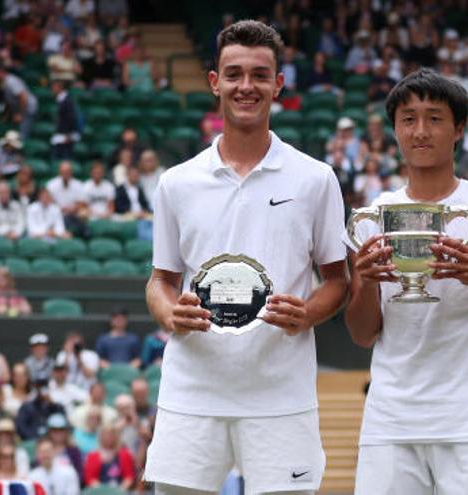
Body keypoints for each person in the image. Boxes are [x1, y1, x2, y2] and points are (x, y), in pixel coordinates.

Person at [143, 20, 348, 494]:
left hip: (281, 393)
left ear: (278, 84)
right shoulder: (177, 182)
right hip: (192, 391)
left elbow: (338, 279)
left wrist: (307, 313)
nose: (246, 86)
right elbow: (160, 279)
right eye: (234, 74)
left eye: (260, 75)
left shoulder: (315, 179)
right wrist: (170, 311)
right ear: (215, 82)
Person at [345, 69, 468, 494]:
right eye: (408, 119)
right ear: (394, 130)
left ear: (459, 129)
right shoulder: (373, 216)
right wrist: (365, 280)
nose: (421, 131)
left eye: (435, 118)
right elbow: (360, 333)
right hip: (391, 420)